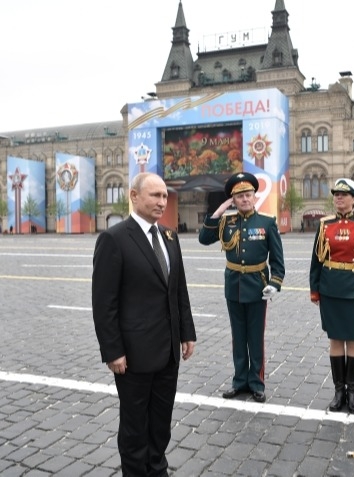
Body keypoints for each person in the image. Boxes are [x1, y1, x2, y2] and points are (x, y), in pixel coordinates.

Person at [91, 172, 196, 476]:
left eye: (164, 196)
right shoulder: (114, 238)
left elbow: (179, 290)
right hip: (134, 355)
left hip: (168, 351)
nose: (162, 202)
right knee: (135, 426)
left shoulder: (169, 237)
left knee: (161, 422)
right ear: (134, 196)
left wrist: (187, 333)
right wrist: (113, 350)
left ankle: (157, 469)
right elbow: (104, 302)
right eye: (155, 195)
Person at [199, 172, 285, 403]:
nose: (245, 200)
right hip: (234, 286)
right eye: (239, 197)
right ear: (233, 201)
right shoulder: (226, 222)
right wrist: (217, 213)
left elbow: (277, 260)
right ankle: (239, 381)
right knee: (238, 337)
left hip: (258, 287)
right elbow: (204, 239)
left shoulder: (267, 222)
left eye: (248, 195)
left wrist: (275, 284)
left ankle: (256, 383)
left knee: (255, 337)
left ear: (255, 197)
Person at [309, 178, 354, 414]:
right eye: (336, 194)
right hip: (330, 289)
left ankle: (353, 392)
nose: (339, 198)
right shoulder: (324, 224)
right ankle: (339, 392)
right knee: (336, 340)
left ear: (353, 199)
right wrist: (314, 288)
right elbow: (316, 260)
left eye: (344, 194)